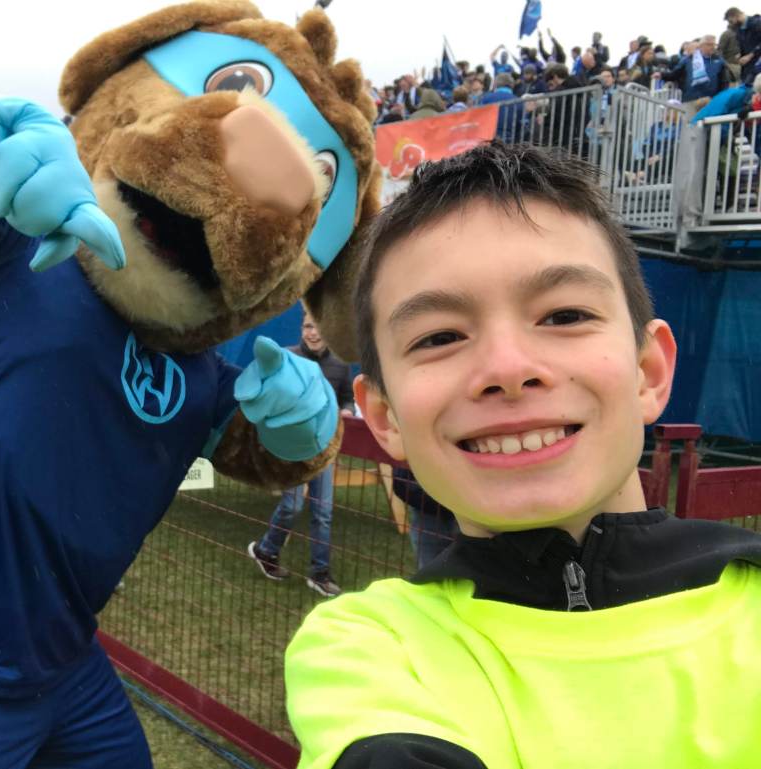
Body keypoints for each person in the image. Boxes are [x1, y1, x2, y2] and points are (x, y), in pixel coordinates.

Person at [284, 141, 761, 769]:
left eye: (564, 315)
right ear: (385, 417)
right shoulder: (369, 648)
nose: (507, 370)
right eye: (440, 336)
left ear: (647, 371)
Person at [248, 311, 354, 598]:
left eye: (319, 328)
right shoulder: (286, 358)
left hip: (325, 450)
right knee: (293, 506)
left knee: (323, 512)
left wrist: (347, 409)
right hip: (292, 449)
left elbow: (346, 396)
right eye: (308, 326)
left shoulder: (341, 366)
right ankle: (267, 550)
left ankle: (320, 573)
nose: (314, 333)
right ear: (301, 329)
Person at [659, 35, 731, 108]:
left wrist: (719, 98)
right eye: (709, 44)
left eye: (714, 44)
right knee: (689, 119)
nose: (712, 47)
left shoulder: (719, 61)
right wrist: (661, 75)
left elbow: (724, 81)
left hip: (711, 100)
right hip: (690, 99)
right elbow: (675, 74)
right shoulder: (688, 59)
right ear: (701, 46)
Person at [725, 6, 761, 82]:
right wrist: (740, 55)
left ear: (736, 16)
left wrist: (750, 55)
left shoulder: (757, 23)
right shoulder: (739, 30)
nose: (731, 24)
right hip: (748, 69)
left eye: (731, 21)